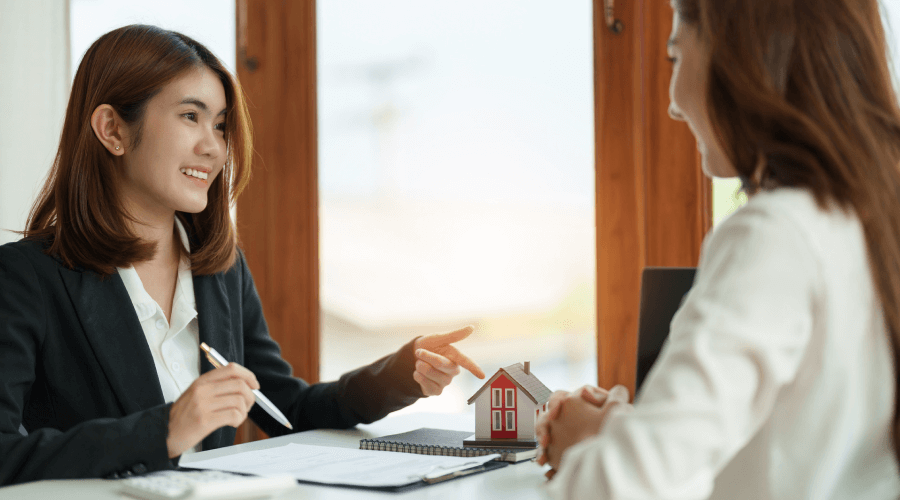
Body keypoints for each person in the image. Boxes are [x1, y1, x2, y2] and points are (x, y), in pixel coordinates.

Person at [0, 24, 485, 486]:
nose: (214, 147)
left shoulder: (221, 269)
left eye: (220, 125)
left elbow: (288, 409)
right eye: (190, 116)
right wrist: (164, 430)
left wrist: (400, 373)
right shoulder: (26, 277)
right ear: (112, 130)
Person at [536, 0, 900, 498]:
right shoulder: (870, 220)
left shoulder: (775, 233)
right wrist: (623, 431)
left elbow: (623, 484)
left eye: (675, 57)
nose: (672, 102)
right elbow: (796, 441)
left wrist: (596, 452)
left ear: (741, 59)